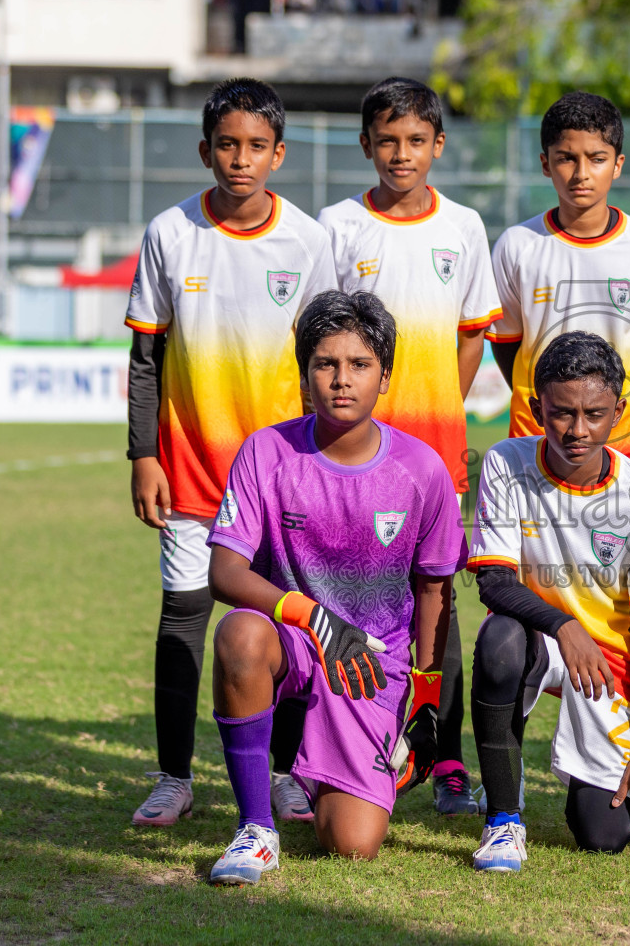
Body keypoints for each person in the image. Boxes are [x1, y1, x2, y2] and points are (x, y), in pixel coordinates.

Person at [125, 77, 338, 827]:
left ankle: (286, 775)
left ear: (278, 154)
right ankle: (174, 776)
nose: (239, 160)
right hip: (189, 467)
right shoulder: (170, 233)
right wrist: (140, 456)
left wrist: (325, 462)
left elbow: (329, 359)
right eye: (226, 145)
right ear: (205, 149)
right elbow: (147, 356)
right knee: (182, 616)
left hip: (283, 476)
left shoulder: (311, 242)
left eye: (255, 147)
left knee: (285, 624)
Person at [203, 290, 467, 884]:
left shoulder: (422, 469)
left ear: (385, 377)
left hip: (369, 662)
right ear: (304, 374)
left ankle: (315, 763)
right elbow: (223, 572)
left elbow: (434, 594)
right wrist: (312, 617)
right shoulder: (266, 451)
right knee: (240, 634)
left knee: (352, 846)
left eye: (359, 365)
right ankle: (255, 828)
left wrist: (426, 696)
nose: (341, 380)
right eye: (325, 364)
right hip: (297, 638)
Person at [318, 76, 501, 816]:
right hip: (349, 454)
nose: (402, 154)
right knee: (345, 591)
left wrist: (436, 415)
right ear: (366, 145)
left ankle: (444, 754)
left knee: (437, 603)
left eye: (416, 141)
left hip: (433, 455)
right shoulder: (336, 226)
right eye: (387, 141)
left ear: (438, 146)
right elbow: (321, 341)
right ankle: (333, 750)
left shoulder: (464, 226)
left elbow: (470, 337)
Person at [466, 332, 630, 872]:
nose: (577, 430)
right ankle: (503, 820)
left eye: (594, 413)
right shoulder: (504, 462)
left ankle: (602, 771)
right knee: (498, 639)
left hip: (609, 664)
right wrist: (564, 625)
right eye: (562, 413)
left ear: (618, 412)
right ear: (538, 408)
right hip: (544, 638)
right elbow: (492, 582)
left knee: (602, 835)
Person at [486, 91, 630, 482]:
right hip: (537, 438)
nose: (581, 173)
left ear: (618, 164)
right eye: (566, 158)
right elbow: (507, 345)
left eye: (596, 158)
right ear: (545, 163)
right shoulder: (517, 245)